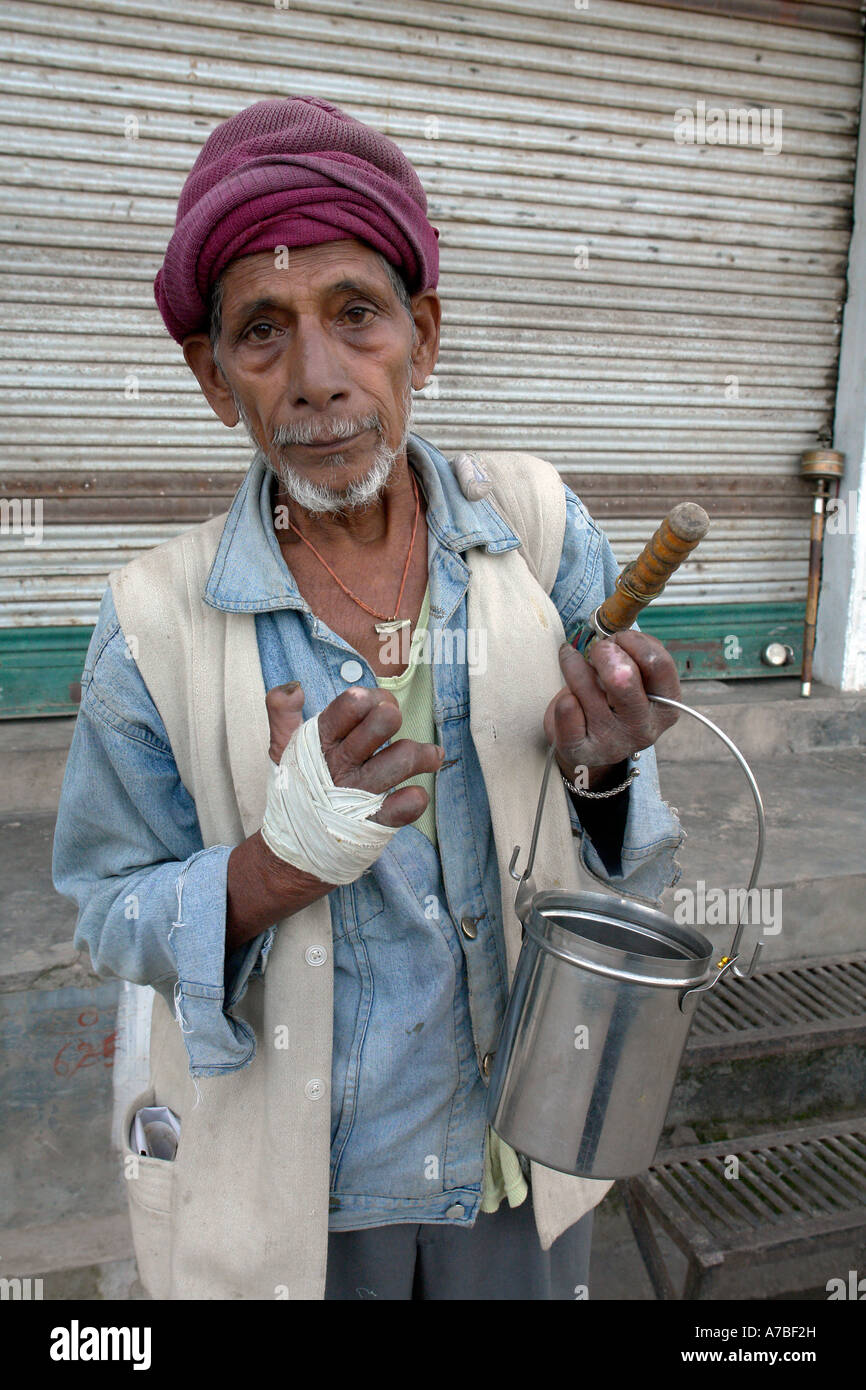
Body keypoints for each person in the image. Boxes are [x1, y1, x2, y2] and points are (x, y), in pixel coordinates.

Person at [52, 96, 684, 1301]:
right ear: (208, 375)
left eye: (356, 315)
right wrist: (278, 865)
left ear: (423, 334)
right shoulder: (149, 622)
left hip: (520, 1161)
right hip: (301, 1211)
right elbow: (106, 908)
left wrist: (601, 772)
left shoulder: (540, 532)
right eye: (262, 333)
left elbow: (621, 838)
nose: (318, 379)